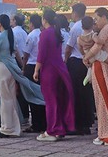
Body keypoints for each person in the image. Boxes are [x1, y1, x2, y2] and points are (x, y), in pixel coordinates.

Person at [0, 14, 44, 138]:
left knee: (4, 98)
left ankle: (7, 128)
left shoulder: (0, 37)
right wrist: (20, 66)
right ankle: (13, 126)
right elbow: (17, 53)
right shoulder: (10, 36)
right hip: (12, 67)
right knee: (11, 98)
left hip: (2, 67)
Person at [84, 7, 108, 146]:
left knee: (104, 101)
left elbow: (97, 47)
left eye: (97, 18)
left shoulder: (106, 29)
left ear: (104, 17)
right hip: (105, 66)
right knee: (107, 101)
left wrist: (86, 57)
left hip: (102, 67)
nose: (96, 22)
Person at [34, 9, 75, 142]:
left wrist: (36, 70)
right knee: (58, 100)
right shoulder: (57, 32)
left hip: (49, 70)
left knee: (50, 101)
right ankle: (59, 128)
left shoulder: (45, 33)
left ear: (44, 19)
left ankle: (52, 130)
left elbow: (41, 54)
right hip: (59, 68)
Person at [65, 2, 94, 135]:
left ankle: (78, 124)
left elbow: (69, 47)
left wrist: (65, 60)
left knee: (76, 93)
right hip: (87, 62)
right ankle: (87, 123)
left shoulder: (75, 27)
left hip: (76, 62)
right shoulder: (89, 26)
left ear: (75, 13)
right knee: (86, 93)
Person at [22, 14, 45, 134]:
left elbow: (26, 54)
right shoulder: (42, 34)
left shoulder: (31, 35)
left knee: (33, 96)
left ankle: (36, 124)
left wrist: (23, 67)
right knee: (41, 95)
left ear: (31, 23)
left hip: (32, 67)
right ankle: (44, 122)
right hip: (42, 67)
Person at [11, 13, 30, 126]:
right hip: (25, 59)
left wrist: (21, 64)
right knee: (23, 89)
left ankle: (21, 115)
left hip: (18, 60)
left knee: (17, 89)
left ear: (14, 20)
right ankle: (25, 115)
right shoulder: (24, 32)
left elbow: (16, 50)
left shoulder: (13, 32)